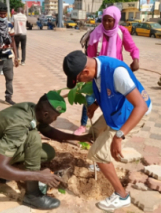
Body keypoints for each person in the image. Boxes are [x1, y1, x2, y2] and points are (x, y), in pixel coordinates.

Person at [62, 50, 152, 211]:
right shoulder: (96, 67)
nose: (79, 83)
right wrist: (96, 104)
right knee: (95, 131)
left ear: (85, 71)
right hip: (118, 109)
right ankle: (102, 164)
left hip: (132, 112)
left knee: (99, 154)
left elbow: (141, 106)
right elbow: (106, 88)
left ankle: (122, 195)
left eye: (78, 79)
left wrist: (119, 136)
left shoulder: (117, 73)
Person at [0, 91, 92, 210]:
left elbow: (48, 131)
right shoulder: (19, 124)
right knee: (33, 137)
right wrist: (39, 175)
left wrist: (79, 138)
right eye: (55, 117)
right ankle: (33, 196)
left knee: (47, 152)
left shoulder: (32, 109)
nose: (55, 120)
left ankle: (9, 169)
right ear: (46, 114)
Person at [74, 6, 140, 136]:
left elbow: (132, 48)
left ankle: (113, 127)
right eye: (104, 20)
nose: (107, 24)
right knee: (90, 100)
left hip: (115, 76)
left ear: (116, 20)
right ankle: (83, 125)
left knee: (114, 101)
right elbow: (90, 57)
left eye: (110, 20)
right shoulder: (96, 34)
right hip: (97, 74)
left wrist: (135, 59)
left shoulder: (122, 32)